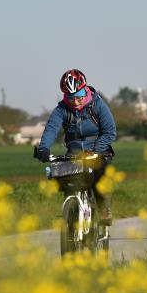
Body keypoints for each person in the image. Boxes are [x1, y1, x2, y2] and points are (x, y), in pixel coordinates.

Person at [35, 69, 117, 225]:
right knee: (64, 178)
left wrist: (96, 150)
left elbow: (110, 131)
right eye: (71, 99)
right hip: (74, 151)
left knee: (100, 176)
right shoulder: (62, 109)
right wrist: (44, 148)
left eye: (79, 97)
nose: (76, 102)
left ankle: (103, 208)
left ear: (85, 91)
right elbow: (51, 128)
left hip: (97, 150)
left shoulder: (97, 104)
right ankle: (71, 212)